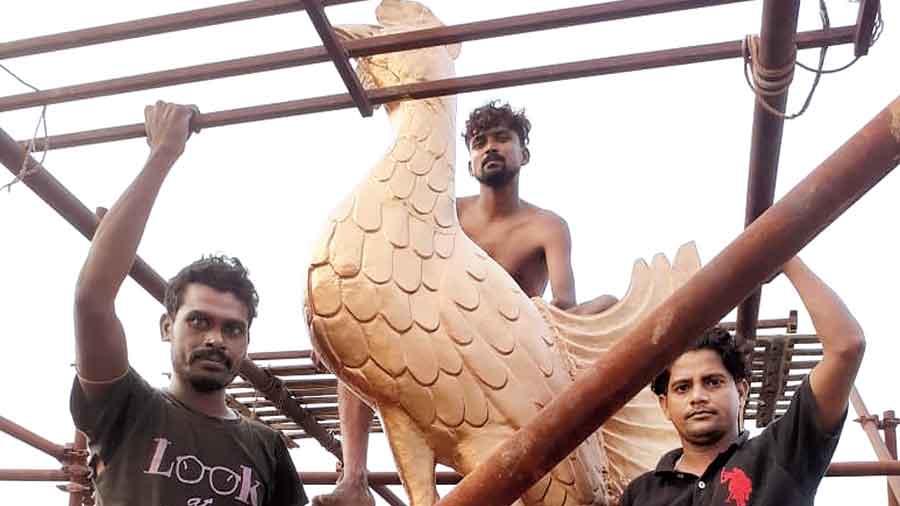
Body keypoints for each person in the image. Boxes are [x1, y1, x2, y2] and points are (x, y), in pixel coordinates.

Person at [313, 101, 618, 506]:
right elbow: (396, 275)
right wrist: (331, 340)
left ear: (523, 153)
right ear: (470, 162)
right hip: (442, 341)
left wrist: (604, 308)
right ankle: (354, 479)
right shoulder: (448, 214)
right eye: (478, 142)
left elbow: (563, 306)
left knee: (608, 304)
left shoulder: (546, 226)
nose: (489, 148)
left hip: (508, 356)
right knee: (360, 343)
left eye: (502, 139)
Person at [71, 101, 307, 506]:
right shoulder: (127, 408)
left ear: (246, 342)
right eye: (199, 321)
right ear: (167, 326)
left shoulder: (268, 447)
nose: (216, 339)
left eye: (233, 329)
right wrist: (163, 153)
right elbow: (92, 299)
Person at [619, 257, 865, 506]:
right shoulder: (640, 494)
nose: (698, 396)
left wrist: (785, 255)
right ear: (665, 405)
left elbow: (846, 347)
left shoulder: (782, 453)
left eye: (712, 382)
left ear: (741, 390)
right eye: (682, 388)